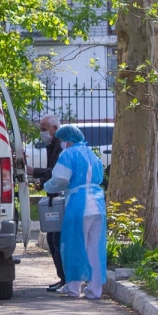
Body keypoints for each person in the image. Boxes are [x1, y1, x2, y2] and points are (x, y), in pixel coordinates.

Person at [43, 124, 107, 299]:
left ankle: (73, 288)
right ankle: (95, 290)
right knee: (95, 248)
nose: (62, 144)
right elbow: (99, 177)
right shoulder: (92, 154)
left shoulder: (68, 154)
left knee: (74, 246)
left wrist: (48, 185)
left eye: (63, 141)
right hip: (98, 203)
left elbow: (61, 179)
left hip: (79, 204)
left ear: (67, 141)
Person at [30, 114, 66, 291]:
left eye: (44, 129)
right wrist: (43, 182)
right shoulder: (52, 144)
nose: (42, 133)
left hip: (60, 197)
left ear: (54, 128)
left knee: (56, 239)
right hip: (54, 193)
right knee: (53, 239)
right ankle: (62, 278)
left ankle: (65, 278)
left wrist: (35, 171)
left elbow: (56, 171)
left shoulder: (60, 145)